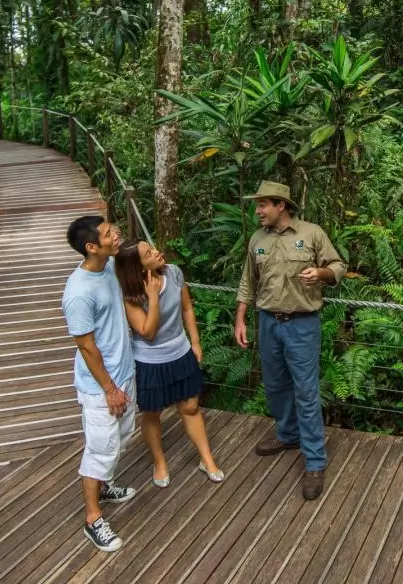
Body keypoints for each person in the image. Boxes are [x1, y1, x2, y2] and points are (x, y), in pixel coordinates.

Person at [233, 181, 346, 500]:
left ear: (281, 205)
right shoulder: (257, 238)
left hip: (302, 324)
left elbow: (338, 266)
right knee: (275, 385)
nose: (257, 211)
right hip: (268, 322)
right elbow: (247, 282)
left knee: (306, 391)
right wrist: (240, 319)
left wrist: (321, 274)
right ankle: (288, 434)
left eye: (262, 205)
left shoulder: (311, 233)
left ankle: (314, 461)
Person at [114, 239, 224, 487]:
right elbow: (148, 332)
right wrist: (152, 297)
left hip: (180, 353)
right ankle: (159, 462)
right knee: (152, 413)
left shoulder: (174, 273)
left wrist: (195, 342)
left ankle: (207, 459)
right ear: (138, 267)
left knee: (191, 407)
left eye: (152, 247)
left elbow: (186, 308)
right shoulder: (131, 294)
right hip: (149, 361)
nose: (157, 252)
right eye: (148, 253)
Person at [61, 216, 138, 553]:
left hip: (124, 371)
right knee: (99, 450)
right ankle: (93, 519)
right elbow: (87, 347)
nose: (116, 233)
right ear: (91, 246)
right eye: (109, 233)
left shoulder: (106, 266)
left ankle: (104, 486)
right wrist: (110, 390)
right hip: (101, 386)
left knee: (121, 437)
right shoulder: (78, 294)